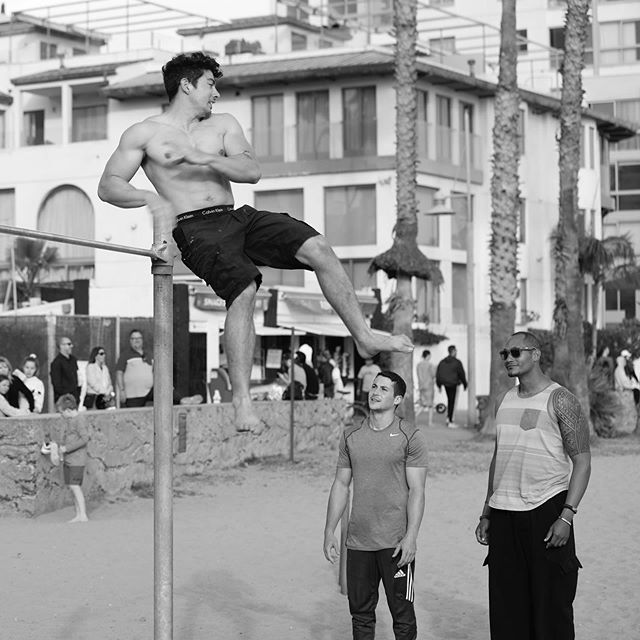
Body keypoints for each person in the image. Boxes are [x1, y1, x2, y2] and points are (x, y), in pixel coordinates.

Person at [97, 51, 412, 434]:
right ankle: (242, 404)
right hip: (195, 228)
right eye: (210, 84)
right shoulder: (143, 133)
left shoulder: (223, 124)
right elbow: (109, 184)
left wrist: (201, 157)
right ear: (186, 85)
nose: (216, 94)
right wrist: (151, 200)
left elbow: (251, 171)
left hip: (237, 215)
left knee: (318, 247)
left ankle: (362, 336)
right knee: (244, 287)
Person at [475, 331, 591, 640]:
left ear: (535, 355)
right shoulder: (505, 399)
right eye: (504, 354)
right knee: (507, 610)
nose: (508, 359)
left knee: (551, 608)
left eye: (515, 352)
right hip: (503, 516)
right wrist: (486, 512)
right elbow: (499, 457)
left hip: (547, 510)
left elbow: (582, 460)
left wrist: (566, 515)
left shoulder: (560, 399)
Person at [323, 371, 428, 640]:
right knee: (360, 616)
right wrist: (329, 530)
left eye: (383, 388)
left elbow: (417, 490)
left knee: (403, 617)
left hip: (396, 544)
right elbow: (340, 485)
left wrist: (411, 537)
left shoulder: (410, 436)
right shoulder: (351, 435)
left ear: (397, 399)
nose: (375, 392)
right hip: (358, 542)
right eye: (373, 386)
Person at [43, 394, 90, 523]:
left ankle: (83, 514)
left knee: (75, 486)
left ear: (68, 411)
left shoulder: (79, 420)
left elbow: (85, 439)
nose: (61, 415)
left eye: (62, 412)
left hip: (77, 459)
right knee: (72, 486)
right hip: (70, 458)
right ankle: (78, 514)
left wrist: (66, 448)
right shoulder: (70, 421)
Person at [116, 329, 153, 408]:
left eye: (138, 338)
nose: (136, 340)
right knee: (134, 417)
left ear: (142, 340)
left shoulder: (149, 354)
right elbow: (119, 373)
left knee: (173, 398)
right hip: (133, 395)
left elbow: (157, 371)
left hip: (150, 391)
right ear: (130, 341)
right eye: (133, 338)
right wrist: (122, 391)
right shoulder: (125, 355)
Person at [436, 345, 467, 428]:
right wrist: (465, 384)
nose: (456, 352)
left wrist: (439, 385)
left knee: (450, 400)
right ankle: (450, 421)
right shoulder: (457, 362)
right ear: (453, 351)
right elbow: (461, 374)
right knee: (452, 402)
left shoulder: (442, 362)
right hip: (454, 384)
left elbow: (438, 374)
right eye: (456, 351)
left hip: (445, 384)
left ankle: (448, 418)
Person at [81, 346, 115, 410]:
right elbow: (92, 383)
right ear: (95, 355)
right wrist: (104, 392)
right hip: (94, 397)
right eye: (101, 354)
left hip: (105, 398)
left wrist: (109, 391)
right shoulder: (90, 367)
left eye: (104, 354)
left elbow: (109, 382)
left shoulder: (105, 368)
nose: (103, 356)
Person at [50, 337, 80, 403]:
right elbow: (56, 384)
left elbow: (76, 379)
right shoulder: (56, 363)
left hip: (75, 398)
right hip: (63, 400)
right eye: (69, 344)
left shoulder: (73, 360)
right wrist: (66, 396)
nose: (71, 346)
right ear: (61, 346)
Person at [415, 349, 436, 424]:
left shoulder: (419, 365)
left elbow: (418, 375)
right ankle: (430, 422)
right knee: (430, 405)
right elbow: (433, 375)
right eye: (430, 355)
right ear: (427, 356)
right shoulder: (430, 365)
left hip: (421, 386)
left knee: (422, 404)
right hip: (429, 386)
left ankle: (414, 417)